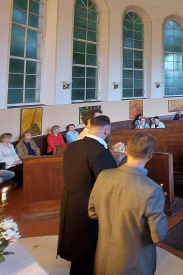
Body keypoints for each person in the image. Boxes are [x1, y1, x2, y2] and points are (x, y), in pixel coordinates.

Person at [89, 133, 168, 275]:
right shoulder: (152, 189)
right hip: (133, 263)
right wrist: (159, 204)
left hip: (103, 259)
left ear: (126, 151)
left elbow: (92, 212)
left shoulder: (104, 175)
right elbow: (158, 235)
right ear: (150, 154)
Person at [58, 115, 118, 274]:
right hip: (90, 206)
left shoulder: (72, 146)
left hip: (71, 202)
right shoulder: (100, 152)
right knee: (89, 249)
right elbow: (109, 182)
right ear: (106, 130)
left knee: (77, 245)